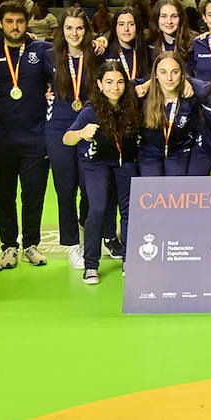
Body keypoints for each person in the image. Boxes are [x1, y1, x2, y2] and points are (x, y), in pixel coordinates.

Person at [0, 0, 54, 268]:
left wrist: (100, 42)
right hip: (0, 139)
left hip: (35, 137)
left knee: (33, 195)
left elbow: (73, 53)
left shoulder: (42, 49)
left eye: (20, 21)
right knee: (3, 195)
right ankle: (9, 245)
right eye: (9, 21)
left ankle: (31, 245)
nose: (15, 26)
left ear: (27, 23)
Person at [64, 60, 140, 284]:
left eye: (119, 82)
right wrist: (81, 133)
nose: (114, 87)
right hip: (97, 163)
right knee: (97, 209)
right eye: (109, 82)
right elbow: (66, 138)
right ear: (99, 84)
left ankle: (129, 259)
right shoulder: (91, 110)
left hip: (125, 163)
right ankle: (91, 265)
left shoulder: (132, 104)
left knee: (129, 210)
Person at [47, 8, 96, 270]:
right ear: (62, 30)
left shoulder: (96, 57)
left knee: (90, 189)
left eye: (79, 28)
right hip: (57, 130)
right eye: (69, 28)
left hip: (89, 129)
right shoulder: (49, 56)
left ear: (86, 31)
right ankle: (71, 245)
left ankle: (86, 226)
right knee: (65, 190)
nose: (74, 33)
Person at [139, 51, 205, 177]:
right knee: (152, 193)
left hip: (179, 154)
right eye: (163, 72)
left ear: (182, 74)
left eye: (175, 72)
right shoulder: (144, 97)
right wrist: (147, 84)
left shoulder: (190, 98)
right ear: (156, 74)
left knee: (175, 193)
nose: (169, 78)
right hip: (149, 154)